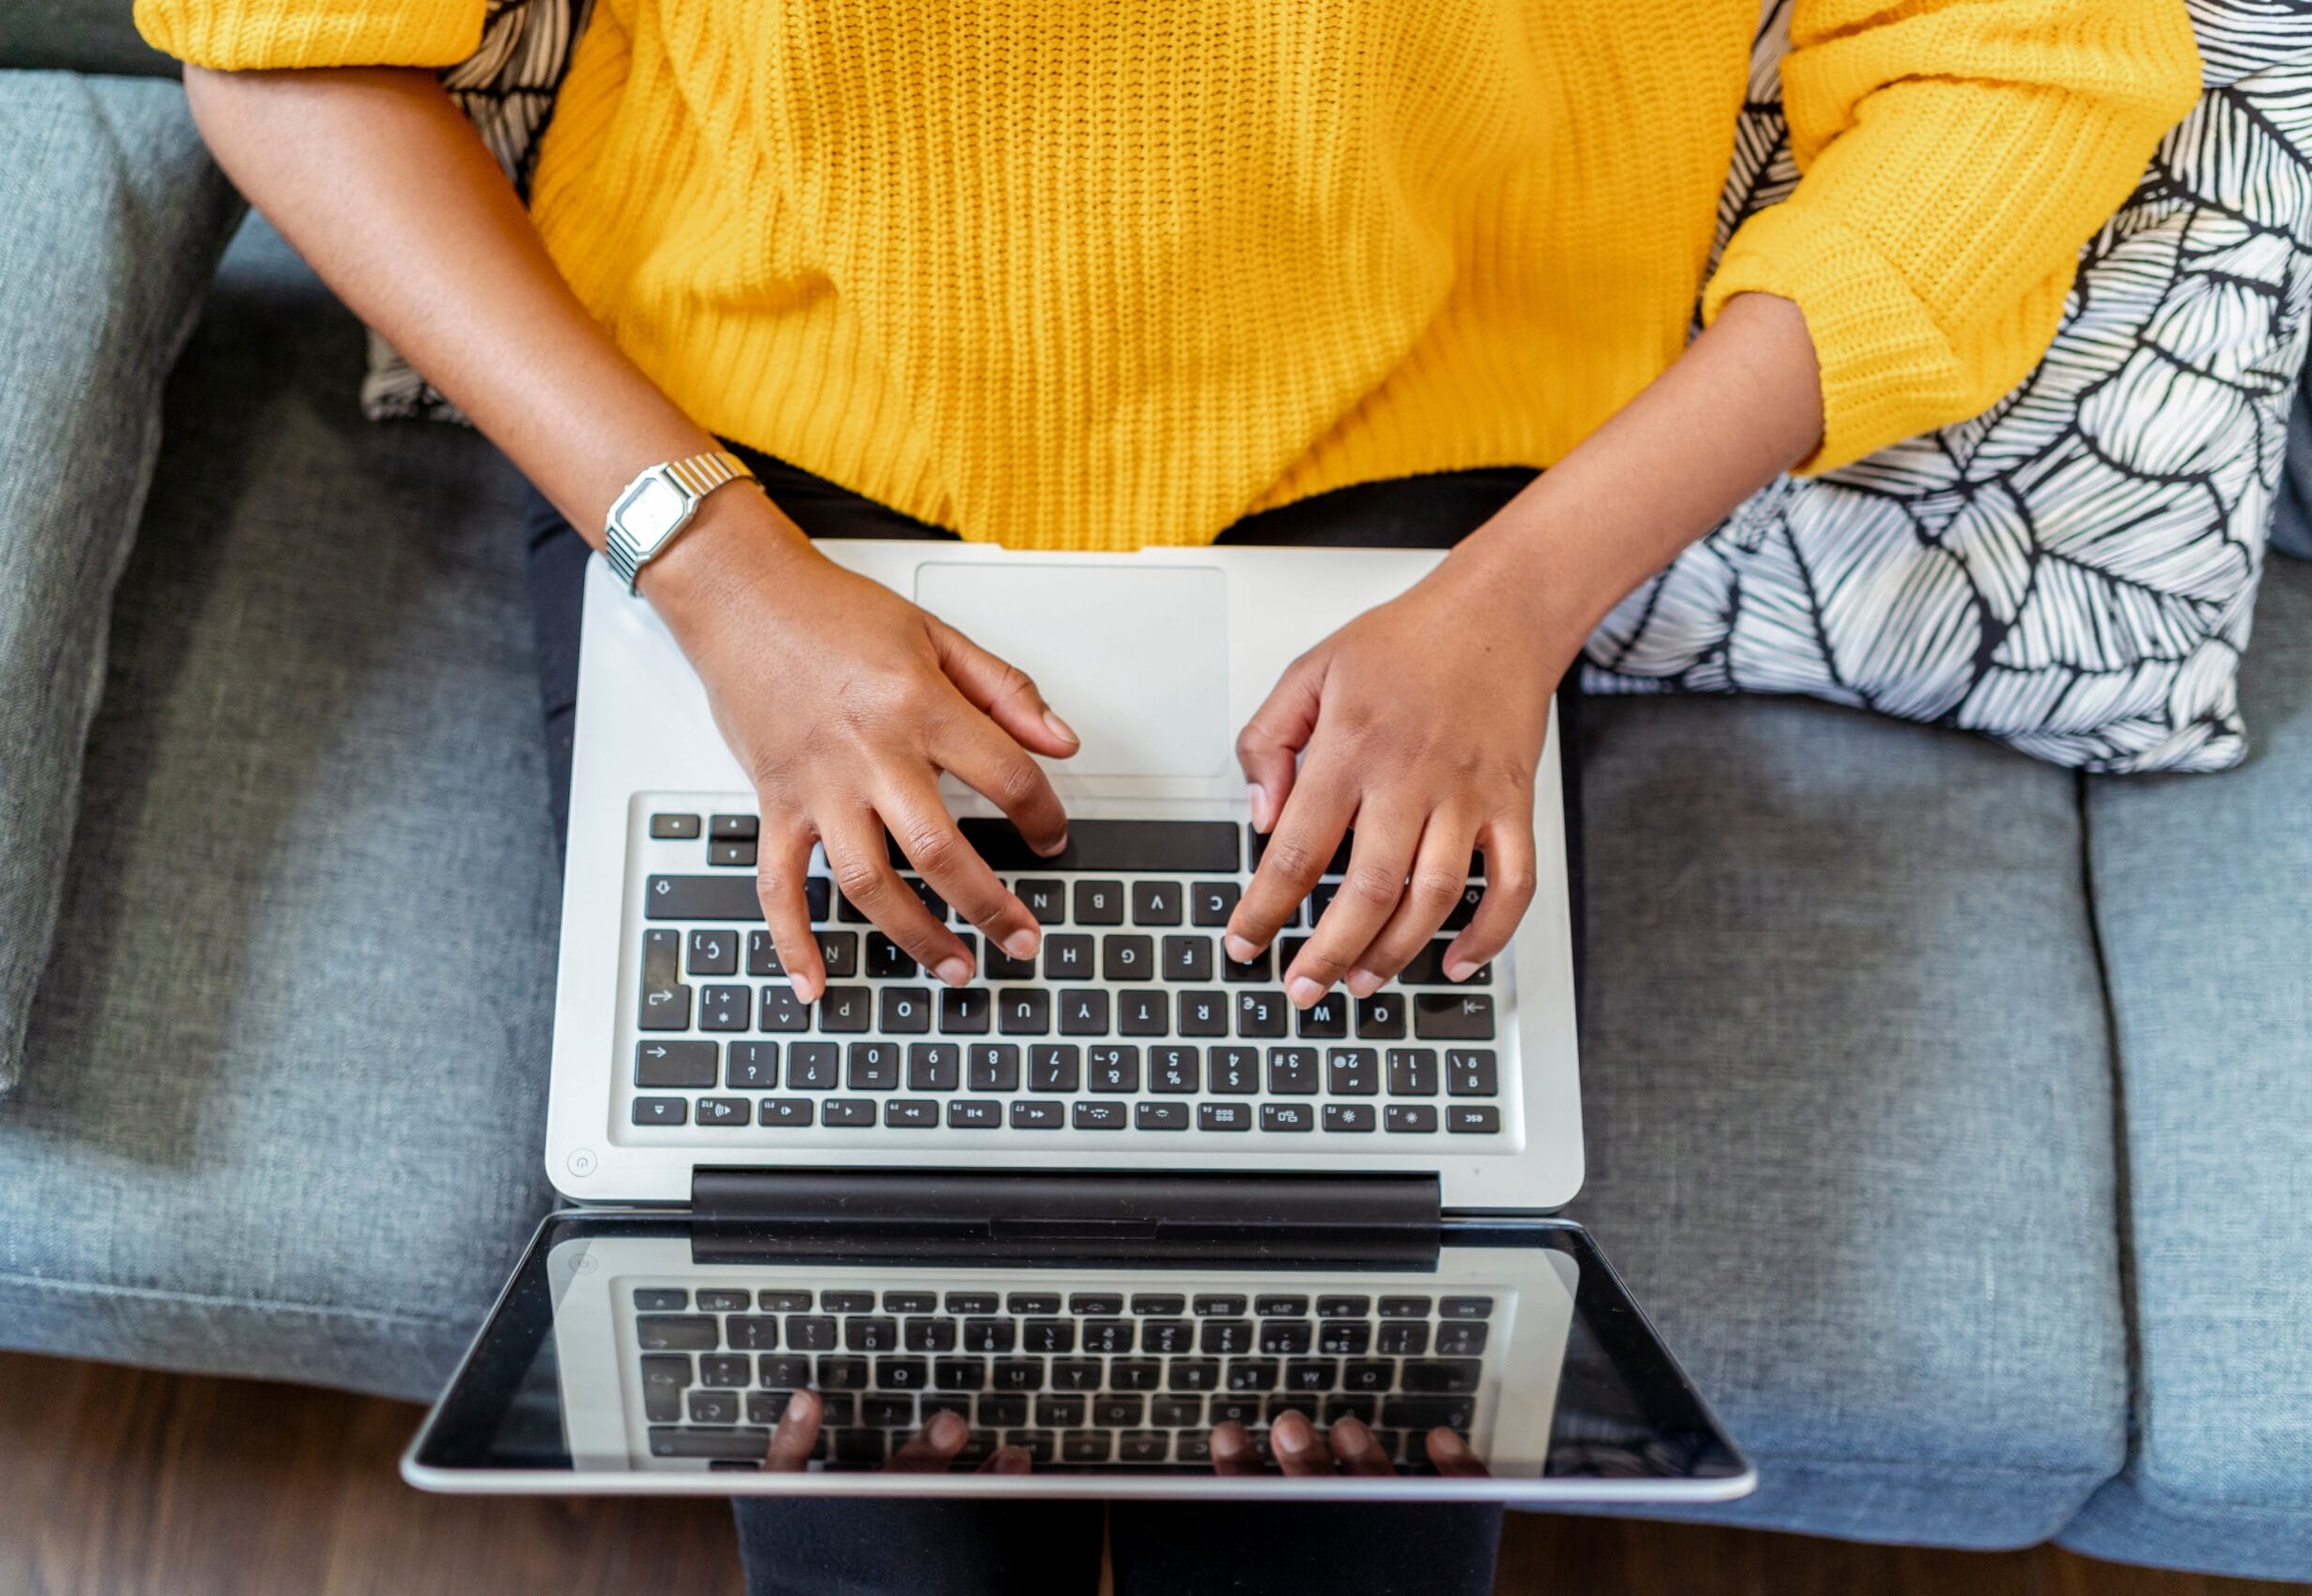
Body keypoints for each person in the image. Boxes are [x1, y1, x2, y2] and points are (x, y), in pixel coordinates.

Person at [136, 1, 2199, 1589]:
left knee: (1344, 1486)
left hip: (1425, 532)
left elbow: (2018, 64)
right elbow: (284, 55)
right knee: (883, 1500)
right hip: (744, 482)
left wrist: (1522, 593)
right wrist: (712, 566)